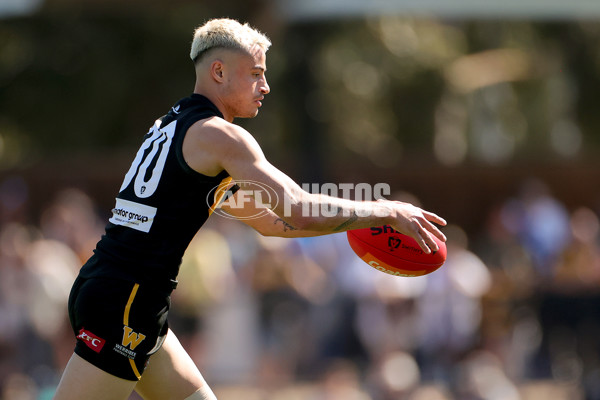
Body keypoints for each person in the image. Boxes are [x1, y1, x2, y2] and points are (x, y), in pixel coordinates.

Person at [52, 18, 447, 400]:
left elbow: (274, 224)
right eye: (256, 73)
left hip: (121, 291)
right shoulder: (222, 137)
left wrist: (347, 224)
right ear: (219, 72)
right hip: (126, 300)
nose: (266, 86)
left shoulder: (176, 125)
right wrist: (384, 210)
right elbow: (299, 208)